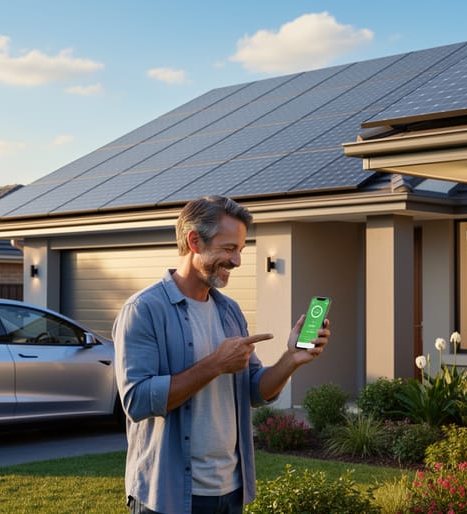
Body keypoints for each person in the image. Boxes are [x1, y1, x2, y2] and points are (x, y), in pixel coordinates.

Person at [113, 195, 329, 514]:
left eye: (240, 249)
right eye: (229, 249)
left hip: (230, 491)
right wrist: (215, 364)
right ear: (194, 240)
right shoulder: (144, 311)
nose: (238, 260)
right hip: (169, 495)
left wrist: (291, 359)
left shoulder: (229, 311)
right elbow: (138, 401)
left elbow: (254, 389)